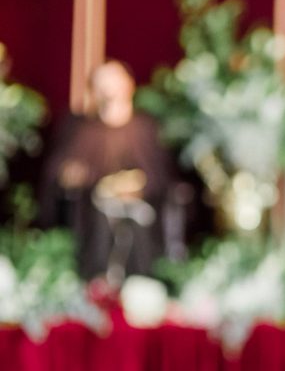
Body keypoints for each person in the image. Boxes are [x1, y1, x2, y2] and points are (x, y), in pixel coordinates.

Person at [38, 60, 184, 284]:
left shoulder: (146, 127)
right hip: (94, 212)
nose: (109, 89)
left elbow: (161, 176)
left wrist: (138, 188)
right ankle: (96, 281)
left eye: (114, 81)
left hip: (143, 211)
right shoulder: (80, 128)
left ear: (129, 85)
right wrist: (72, 176)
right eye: (102, 84)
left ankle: (144, 280)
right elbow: (59, 173)